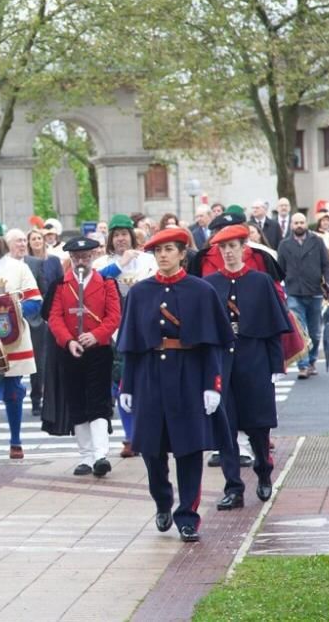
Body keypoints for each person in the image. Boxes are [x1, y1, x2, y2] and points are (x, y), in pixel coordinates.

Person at [117, 227, 234, 543]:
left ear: (183, 253)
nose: (163, 255)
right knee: (152, 450)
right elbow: (131, 343)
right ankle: (162, 499)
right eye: (158, 251)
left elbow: (213, 343)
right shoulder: (140, 292)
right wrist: (126, 386)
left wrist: (214, 384)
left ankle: (188, 517)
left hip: (190, 373)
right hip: (150, 374)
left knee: (189, 448)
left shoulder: (201, 291)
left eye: (170, 249)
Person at [203, 225, 292, 509]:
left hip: (254, 360)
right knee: (225, 427)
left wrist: (276, 365)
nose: (228, 252)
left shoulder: (261, 281)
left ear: (245, 248)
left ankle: (264, 473)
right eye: (223, 248)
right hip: (223, 363)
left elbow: (274, 327)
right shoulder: (211, 284)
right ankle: (234, 487)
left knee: (258, 425)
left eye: (233, 246)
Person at [43, 236, 121, 476]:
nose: (81, 261)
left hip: (98, 350)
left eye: (85, 257)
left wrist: (96, 335)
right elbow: (54, 317)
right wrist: (68, 341)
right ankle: (85, 456)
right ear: (71, 259)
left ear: (93, 257)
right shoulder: (60, 285)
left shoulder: (107, 283)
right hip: (71, 351)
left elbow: (114, 316)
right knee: (77, 402)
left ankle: (100, 455)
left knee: (98, 402)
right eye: (76, 257)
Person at [0, 218, 41, 460]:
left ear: (1, 243)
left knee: (14, 391)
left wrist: (15, 309)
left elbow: (36, 301)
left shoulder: (18, 267)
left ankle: (16, 440)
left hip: (16, 338)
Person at [93, 214, 158, 458]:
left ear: (132, 236)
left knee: (146, 384)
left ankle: (147, 432)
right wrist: (120, 265)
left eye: (124, 234)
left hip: (145, 328)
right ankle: (130, 437)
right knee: (121, 384)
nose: (121, 239)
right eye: (116, 235)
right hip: (113, 331)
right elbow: (95, 285)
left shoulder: (148, 260)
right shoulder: (102, 263)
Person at [277, 213, 329, 379]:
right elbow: (280, 268)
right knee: (300, 329)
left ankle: (312, 361)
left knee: (315, 332)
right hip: (294, 291)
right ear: (291, 225)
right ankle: (303, 365)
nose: (299, 225)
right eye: (296, 223)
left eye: (302, 222)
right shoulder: (284, 244)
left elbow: (326, 265)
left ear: (306, 223)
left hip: (315, 291)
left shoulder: (317, 241)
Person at [22, 224, 65, 416]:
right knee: (36, 360)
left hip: (49, 314)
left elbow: (59, 286)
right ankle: (36, 397)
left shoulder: (54, 261)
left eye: (40, 238)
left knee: (47, 359)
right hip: (32, 315)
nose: (37, 241)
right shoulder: (26, 263)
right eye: (34, 239)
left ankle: (48, 397)